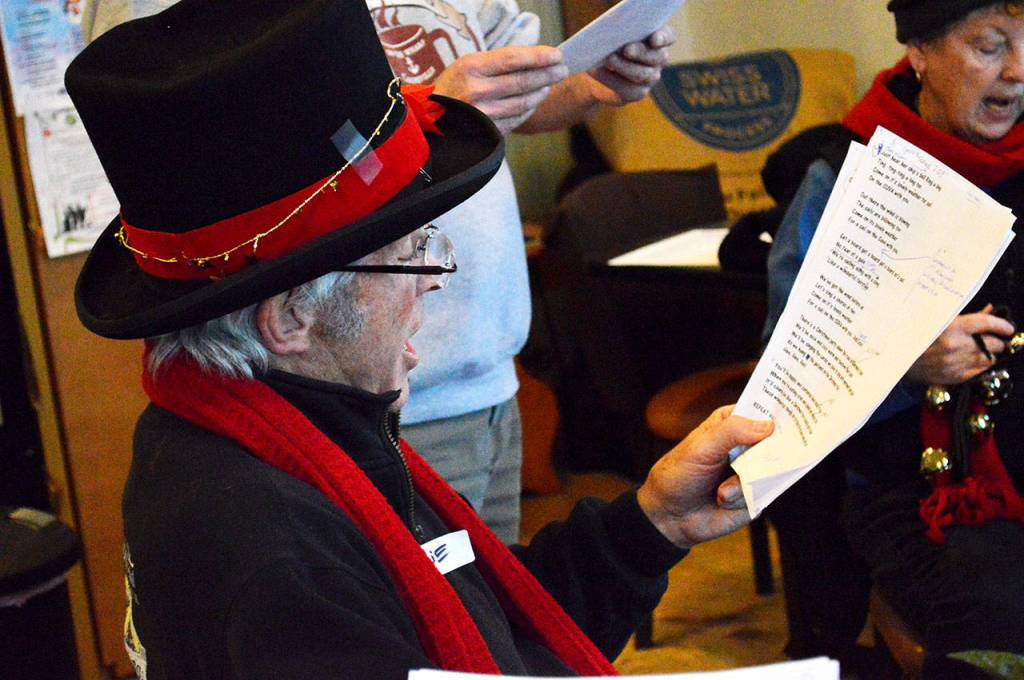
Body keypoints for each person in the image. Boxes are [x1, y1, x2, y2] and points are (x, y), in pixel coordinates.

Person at [67, 2, 772, 677]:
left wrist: (652, 523)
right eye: (411, 252)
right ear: (287, 319)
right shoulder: (274, 554)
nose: (436, 277)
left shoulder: (293, 430)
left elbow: (482, 620)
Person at [83, 0, 675, 546]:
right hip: (347, 387)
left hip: (487, 363)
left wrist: (585, 84)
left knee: (487, 630)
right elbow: (190, 158)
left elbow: (522, 90)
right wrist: (416, 116)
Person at [764, 1, 1024, 676]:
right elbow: (788, 384)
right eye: (990, 45)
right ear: (920, 51)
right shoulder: (842, 176)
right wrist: (906, 362)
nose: (1019, 73)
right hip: (914, 490)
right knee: (1003, 611)